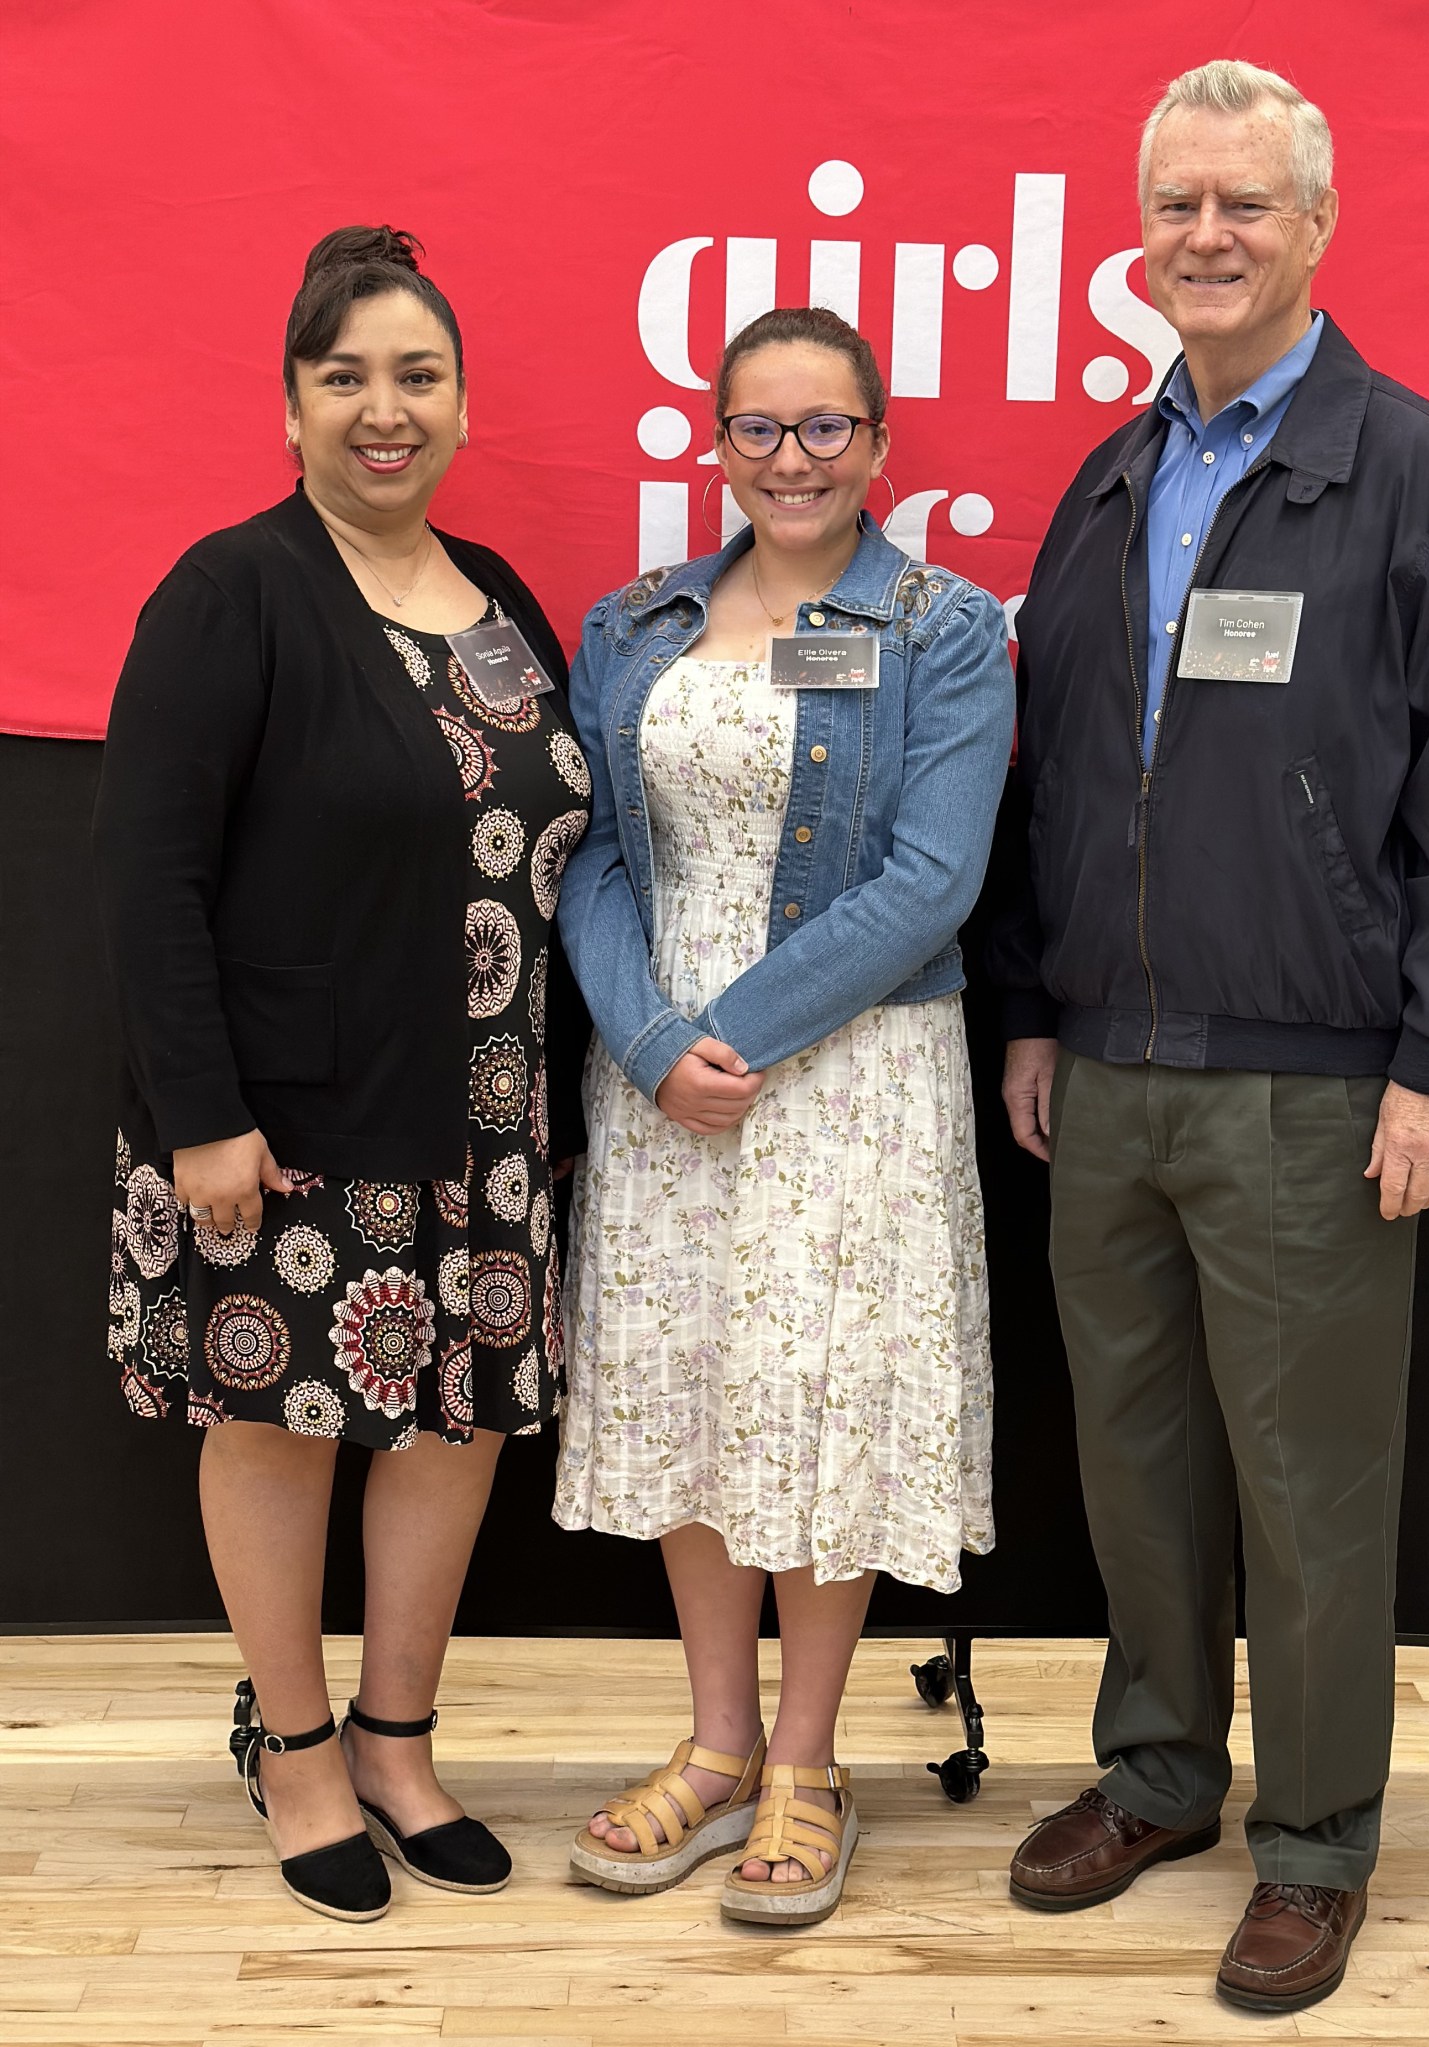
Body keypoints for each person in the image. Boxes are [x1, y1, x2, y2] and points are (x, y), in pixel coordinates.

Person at [989, 62, 1429, 2012]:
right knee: (1136, 1462)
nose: (1206, 235)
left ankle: (1314, 1841)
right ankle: (1160, 1775)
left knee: (1311, 1485)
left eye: (1244, 202)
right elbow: (1063, 785)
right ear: (1138, 232)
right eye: (1175, 203)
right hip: (1109, 1072)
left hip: (1314, 1080)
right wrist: (1038, 1011)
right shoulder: (1107, 479)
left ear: (1316, 226)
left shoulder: (1408, 467)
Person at [94, 226, 592, 1922]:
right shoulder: (232, 591)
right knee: (282, 1426)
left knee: (456, 1424)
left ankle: (396, 1742)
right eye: (346, 376)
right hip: (293, 1118)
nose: (387, 409)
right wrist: (200, 1119)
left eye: (418, 375)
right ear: (293, 404)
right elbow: (147, 879)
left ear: (461, 401)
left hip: (493, 1112)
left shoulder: (500, 594)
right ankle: (297, 1752)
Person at [555, 306, 1013, 1925]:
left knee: (819, 1400)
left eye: (827, 427)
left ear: (879, 445)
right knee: (695, 1388)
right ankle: (719, 1745)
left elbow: (934, 880)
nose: (793, 459)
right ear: (718, 443)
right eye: (759, 426)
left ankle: (810, 1766)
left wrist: (726, 1039)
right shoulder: (633, 624)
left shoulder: (946, 629)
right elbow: (593, 854)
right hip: (661, 1078)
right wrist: (648, 1041)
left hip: (848, 1075)